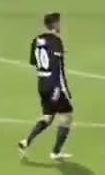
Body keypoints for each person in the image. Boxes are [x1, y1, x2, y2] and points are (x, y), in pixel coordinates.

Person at [18, 12, 75, 161]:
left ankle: (26, 142)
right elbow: (58, 69)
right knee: (67, 115)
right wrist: (62, 90)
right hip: (55, 85)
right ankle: (56, 152)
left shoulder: (36, 40)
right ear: (54, 24)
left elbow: (34, 61)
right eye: (59, 22)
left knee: (48, 117)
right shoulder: (56, 41)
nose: (60, 25)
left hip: (42, 84)